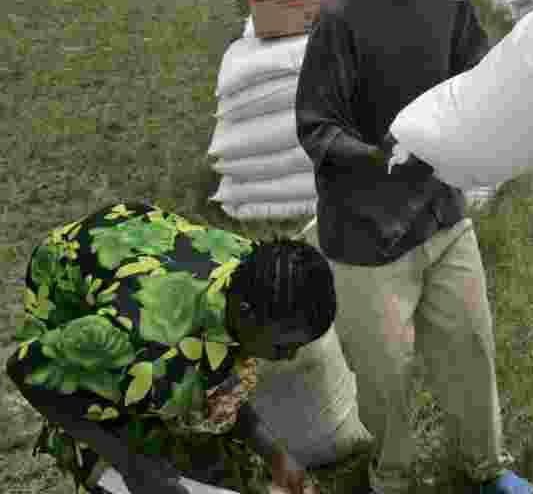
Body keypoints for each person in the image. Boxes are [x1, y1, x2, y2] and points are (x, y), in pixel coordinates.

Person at [294, 0, 533, 494]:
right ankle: (393, 475)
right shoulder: (341, 17)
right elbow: (316, 127)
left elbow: (477, 79)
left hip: (442, 215)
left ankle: (487, 467)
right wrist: (377, 154)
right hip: (367, 235)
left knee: (470, 348)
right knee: (386, 372)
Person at [6, 201, 337, 494]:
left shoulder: (256, 272)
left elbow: (217, 373)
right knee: (128, 438)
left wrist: (276, 456)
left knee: (187, 424)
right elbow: (24, 371)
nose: (288, 357)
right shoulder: (134, 337)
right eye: (282, 347)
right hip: (71, 283)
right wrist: (131, 466)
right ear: (247, 313)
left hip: (135, 248)